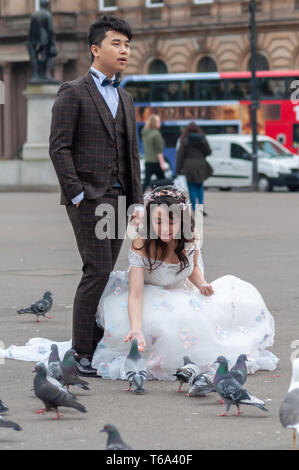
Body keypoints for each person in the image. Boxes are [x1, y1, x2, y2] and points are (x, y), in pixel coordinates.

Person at [91, 186, 278, 380]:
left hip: (180, 291)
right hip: (147, 295)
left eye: (171, 222)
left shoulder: (190, 236)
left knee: (227, 307)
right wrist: (136, 328)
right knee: (163, 324)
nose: (164, 229)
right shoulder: (142, 242)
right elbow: (135, 294)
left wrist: (202, 284)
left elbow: (192, 267)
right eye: (158, 221)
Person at [49, 15, 144, 377]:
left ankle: (95, 340)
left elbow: (131, 152)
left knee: (105, 274)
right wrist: (76, 195)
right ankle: (81, 352)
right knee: (97, 271)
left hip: (120, 199)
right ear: (95, 48)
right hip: (89, 198)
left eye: (127, 44)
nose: (124, 50)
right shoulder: (72, 92)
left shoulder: (126, 96)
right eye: (116, 43)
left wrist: (136, 201)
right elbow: (58, 148)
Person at [176, 122, 213, 216]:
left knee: (192, 188)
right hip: (201, 165)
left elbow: (180, 156)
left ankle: (194, 209)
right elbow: (208, 152)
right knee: (200, 187)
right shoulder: (203, 139)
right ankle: (200, 208)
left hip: (189, 166)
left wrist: (178, 169)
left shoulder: (185, 140)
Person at [142, 114, 167, 192]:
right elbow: (159, 151)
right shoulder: (156, 134)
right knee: (163, 182)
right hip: (156, 162)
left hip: (148, 161)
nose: (160, 123)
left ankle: (138, 196)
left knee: (146, 182)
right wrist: (162, 163)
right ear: (154, 123)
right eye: (158, 121)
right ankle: (166, 197)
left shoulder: (145, 133)